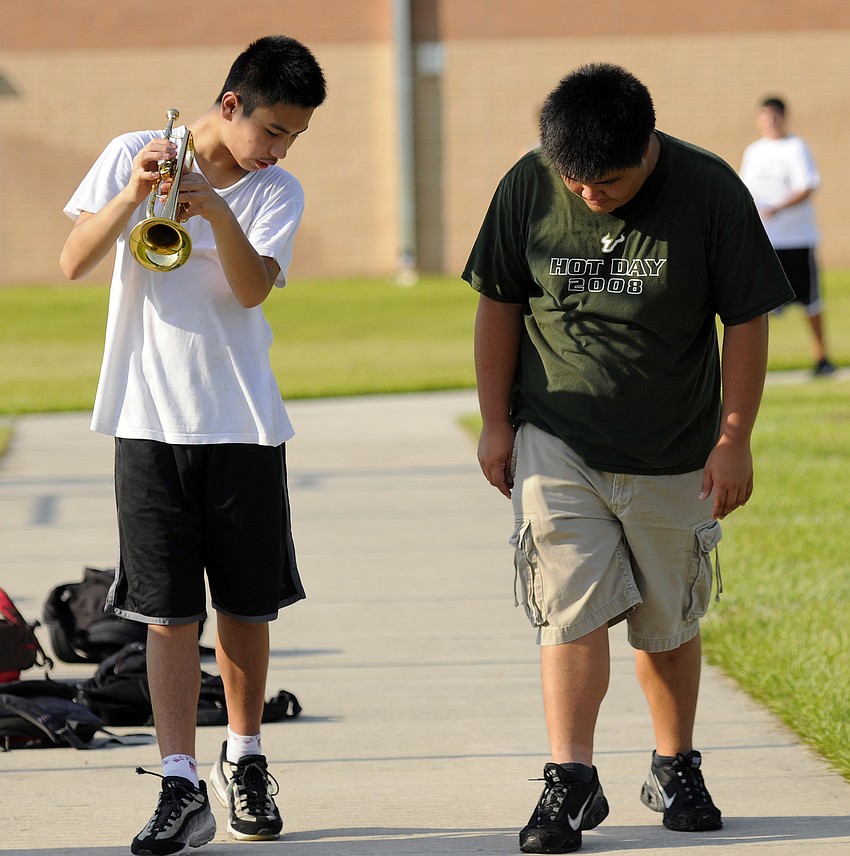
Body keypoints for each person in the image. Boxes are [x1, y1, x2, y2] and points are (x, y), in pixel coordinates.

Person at [462, 63, 793, 854]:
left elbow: (746, 320)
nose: (587, 195)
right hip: (557, 438)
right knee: (569, 608)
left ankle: (674, 762)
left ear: (648, 145)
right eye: (574, 181)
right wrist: (495, 423)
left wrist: (734, 436)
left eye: (604, 181)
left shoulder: (709, 189)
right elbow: (499, 304)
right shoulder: (529, 185)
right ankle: (570, 779)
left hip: (674, 443)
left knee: (667, 620)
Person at [60, 35, 326, 856]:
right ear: (230, 106)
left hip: (241, 418)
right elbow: (73, 261)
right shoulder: (132, 153)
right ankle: (179, 781)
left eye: (295, 136)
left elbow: (250, 291)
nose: (280, 149)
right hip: (146, 419)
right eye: (274, 129)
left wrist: (213, 206)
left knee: (247, 604)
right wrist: (133, 197)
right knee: (166, 611)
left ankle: (243, 757)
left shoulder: (277, 191)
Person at [740, 96, 836, 376]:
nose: (769, 121)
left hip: (797, 239)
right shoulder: (754, 152)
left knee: (810, 302)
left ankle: (822, 358)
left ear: (783, 117)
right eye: (764, 116)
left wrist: (777, 208)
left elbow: (807, 186)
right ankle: (753, 367)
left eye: (774, 116)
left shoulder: (796, 147)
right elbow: (746, 191)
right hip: (767, 243)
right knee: (758, 307)